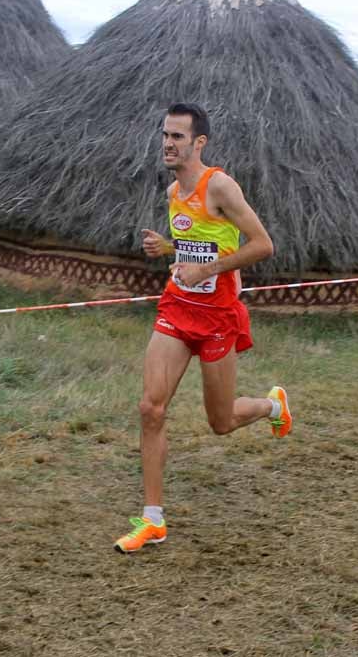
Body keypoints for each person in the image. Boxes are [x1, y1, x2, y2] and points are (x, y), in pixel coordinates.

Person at [114, 102, 293, 554]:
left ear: (199, 143)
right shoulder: (175, 191)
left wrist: (207, 268)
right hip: (177, 306)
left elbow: (262, 245)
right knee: (151, 408)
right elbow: (197, 244)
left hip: (217, 316)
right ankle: (152, 519)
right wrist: (168, 248)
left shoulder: (221, 186)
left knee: (221, 421)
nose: (167, 144)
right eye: (164, 136)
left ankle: (272, 407)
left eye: (177, 137)